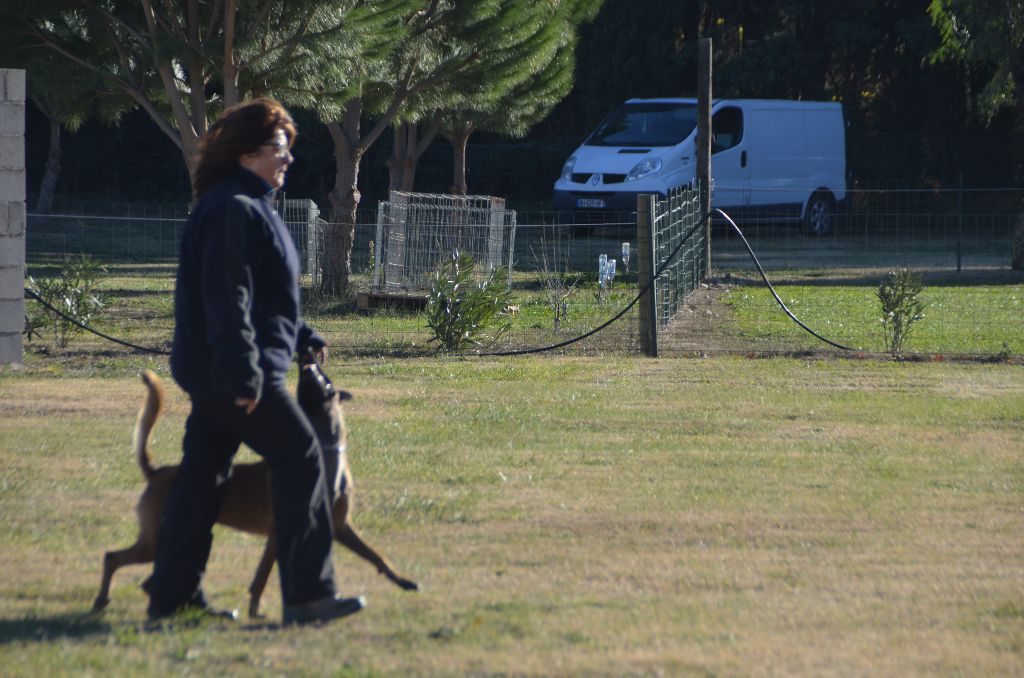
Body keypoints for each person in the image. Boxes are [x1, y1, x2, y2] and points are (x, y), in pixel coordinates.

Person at [144, 98, 364, 625]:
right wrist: (246, 372)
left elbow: (266, 296)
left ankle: (172, 601)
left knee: (200, 481)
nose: (287, 158)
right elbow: (228, 298)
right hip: (238, 374)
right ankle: (309, 596)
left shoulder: (245, 204)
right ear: (246, 154)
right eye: (278, 149)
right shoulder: (233, 209)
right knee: (303, 456)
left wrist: (300, 335)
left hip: (222, 371)